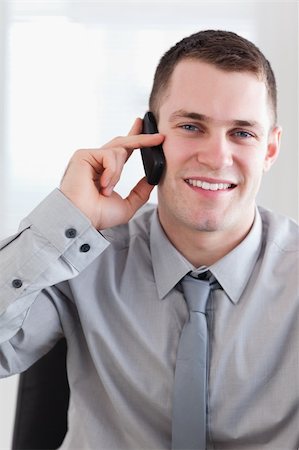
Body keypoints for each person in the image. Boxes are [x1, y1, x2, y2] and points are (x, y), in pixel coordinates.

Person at [0, 29, 298, 449]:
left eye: (242, 133)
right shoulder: (83, 255)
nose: (216, 158)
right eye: (192, 126)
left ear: (270, 149)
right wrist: (64, 221)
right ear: (149, 138)